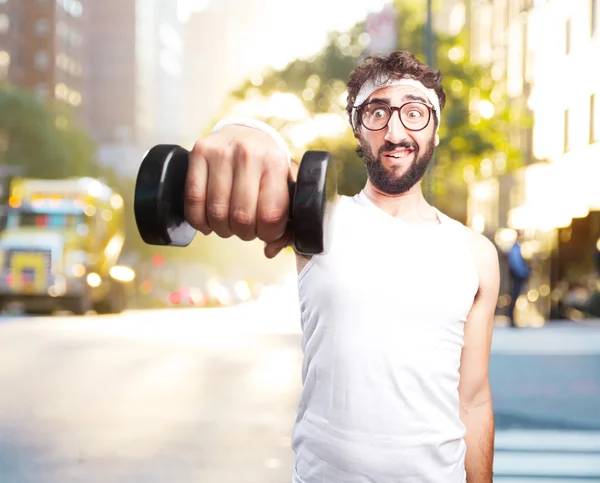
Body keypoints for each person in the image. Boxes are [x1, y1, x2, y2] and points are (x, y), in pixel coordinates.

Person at [183, 51, 499, 483]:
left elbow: (475, 400)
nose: (395, 130)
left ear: (435, 129)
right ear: (357, 129)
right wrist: (245, 132)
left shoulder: (476, 253)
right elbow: (265, 160)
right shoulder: (319, 218)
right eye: (376, 113)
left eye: (413, 112)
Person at [507, 232, 530, 327]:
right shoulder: (515, 249)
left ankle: (512, 318)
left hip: (517, 275)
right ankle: (511, 319)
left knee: (514, 297)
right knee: (514, 297)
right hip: (517, 276)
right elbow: (516, 264)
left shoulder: (516, 248)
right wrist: (524, 273)